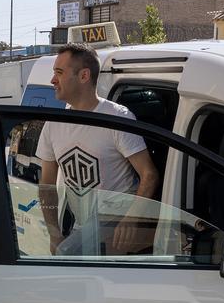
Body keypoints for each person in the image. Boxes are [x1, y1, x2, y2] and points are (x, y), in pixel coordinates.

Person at [37, 43, 160, 256]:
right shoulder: (54, 124)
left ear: (84, 76)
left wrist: (130, 220)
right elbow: (47, 186)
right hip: (82, 228)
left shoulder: (117, 118)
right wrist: (54, 234)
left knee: (67, 256)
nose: (52, 80)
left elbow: (149, 175)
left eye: (59, 72)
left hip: (114, 226)